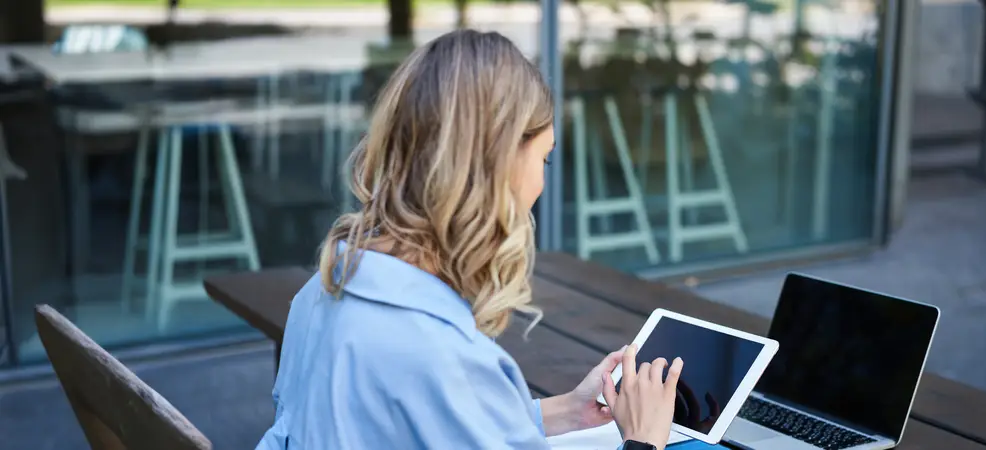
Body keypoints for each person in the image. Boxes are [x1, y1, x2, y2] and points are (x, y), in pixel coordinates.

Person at [254, 30, 684, 450]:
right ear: (499, 168)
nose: (541, 183)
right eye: (544, 158)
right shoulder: (445, 359)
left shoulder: (323, 293)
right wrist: (643, 439)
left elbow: (427, 427)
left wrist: (567, 411)